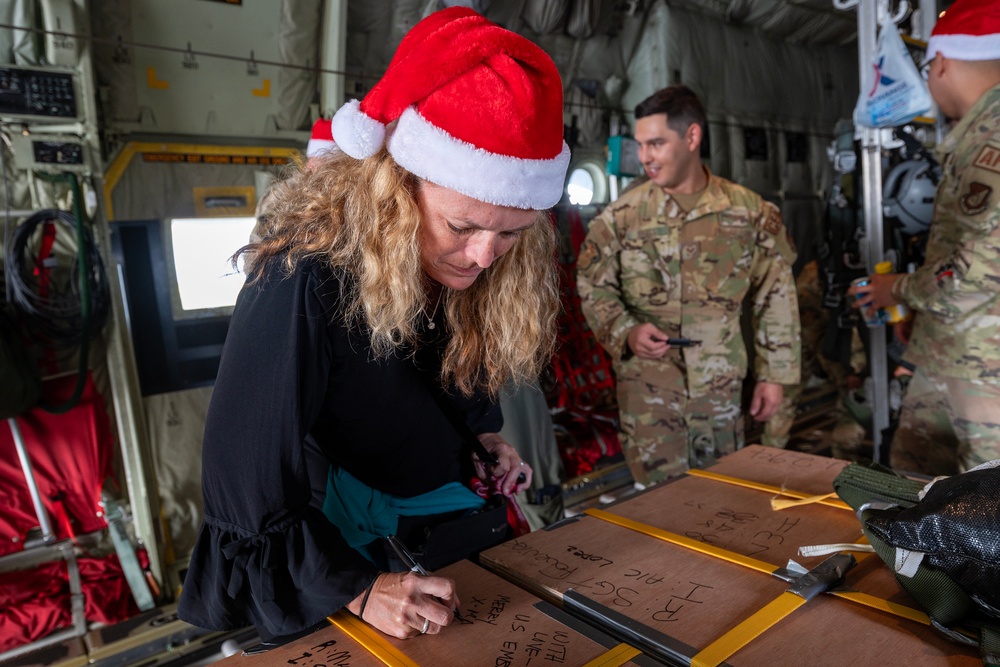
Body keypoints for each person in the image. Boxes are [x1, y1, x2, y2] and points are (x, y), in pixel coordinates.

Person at [178, 7, 569, 644]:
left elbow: (437, 390)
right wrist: (358, 590)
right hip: (344, 558)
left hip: (441, 531)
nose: (483, 256)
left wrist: (482, 445)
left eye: (511, 234)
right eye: (463, 227)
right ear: (396, 184)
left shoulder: (479, 259)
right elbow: (244, 483)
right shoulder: (302, 273)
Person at [576, 84, 800, 487]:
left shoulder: (748, 212)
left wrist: (774, 375)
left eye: (657, 143)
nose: (645, 156)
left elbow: (776, 294)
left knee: (725, 498)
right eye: (641, 144)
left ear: (692, 137)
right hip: (649, 395)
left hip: (719, 393)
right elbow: (593, 284)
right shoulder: (622, 217)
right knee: (658, 505)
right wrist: (626, 331)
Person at [848, 0, 1000, 476]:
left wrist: (899, 289)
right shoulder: (972, 138)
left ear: (942, 63)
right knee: (920, 486)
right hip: (952, 358)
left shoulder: (990, 141)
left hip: (983, 374)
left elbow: (976, 273)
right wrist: (923, 315)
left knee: (982, 511)